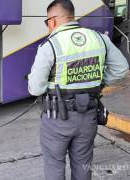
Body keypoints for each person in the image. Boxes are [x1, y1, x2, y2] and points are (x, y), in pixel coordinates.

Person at [28, 0, 129, 180]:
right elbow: (121, 68)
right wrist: (98, 82)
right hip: (88, 117)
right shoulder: (100, 38)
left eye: (46, 22)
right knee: (83, 164)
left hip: (56, 120)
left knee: (54, 165)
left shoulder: (50, 46)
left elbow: (36, 88)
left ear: (52, 20)